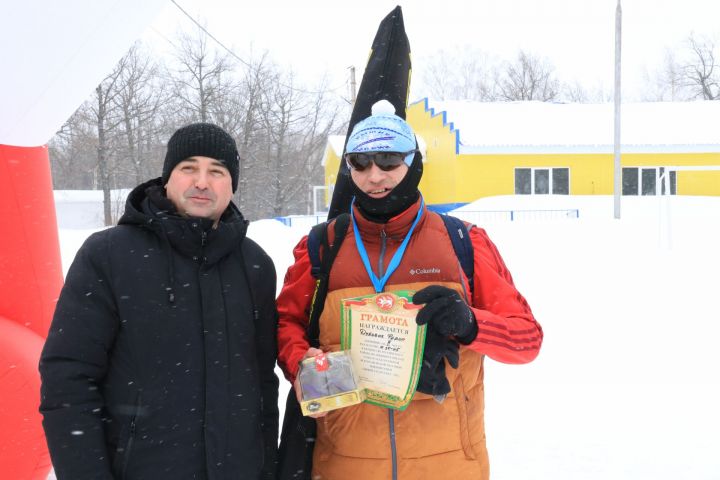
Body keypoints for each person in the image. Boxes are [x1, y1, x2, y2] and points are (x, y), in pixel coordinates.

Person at [276, 105, 543, 479]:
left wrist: (471, 325)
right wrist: (302, 363)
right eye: (360, 162)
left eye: (389, 161)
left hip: (450, 466)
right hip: (346, 465)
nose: (374, 176)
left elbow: (526, 339)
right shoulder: (324, 246)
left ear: (414, 162)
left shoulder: (463, 242)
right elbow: (285, 323)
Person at [39, 123, 279, 480]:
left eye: (217, 171)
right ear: (167, 178)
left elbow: (262, 385)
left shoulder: (254, 264)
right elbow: (68, 379)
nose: (202, 181)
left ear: (232, 185)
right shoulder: (109, 255)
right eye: (189, 168)